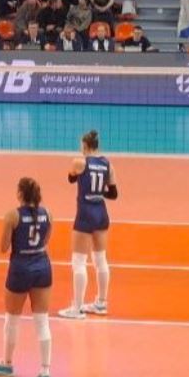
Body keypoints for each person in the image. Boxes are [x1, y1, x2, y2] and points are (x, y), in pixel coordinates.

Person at [0, 177, 54, 377]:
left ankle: (7, 364)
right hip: (42, 266)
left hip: (20, 268)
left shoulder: (12, 215)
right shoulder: (48, 214)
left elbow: (3, 247)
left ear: (20, 194)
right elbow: (45, 241)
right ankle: (45, 372)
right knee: (42, 321)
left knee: (12, 319)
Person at [60, 130, 116, 319]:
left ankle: (77, 308)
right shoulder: (108, 164)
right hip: (101, 213)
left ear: (85, 145)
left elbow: (71, 178)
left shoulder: (80, 162)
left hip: (85, 214)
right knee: (100, 260)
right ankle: (101, 303)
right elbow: (114, 194)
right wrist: (99, 192)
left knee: (78, 261)